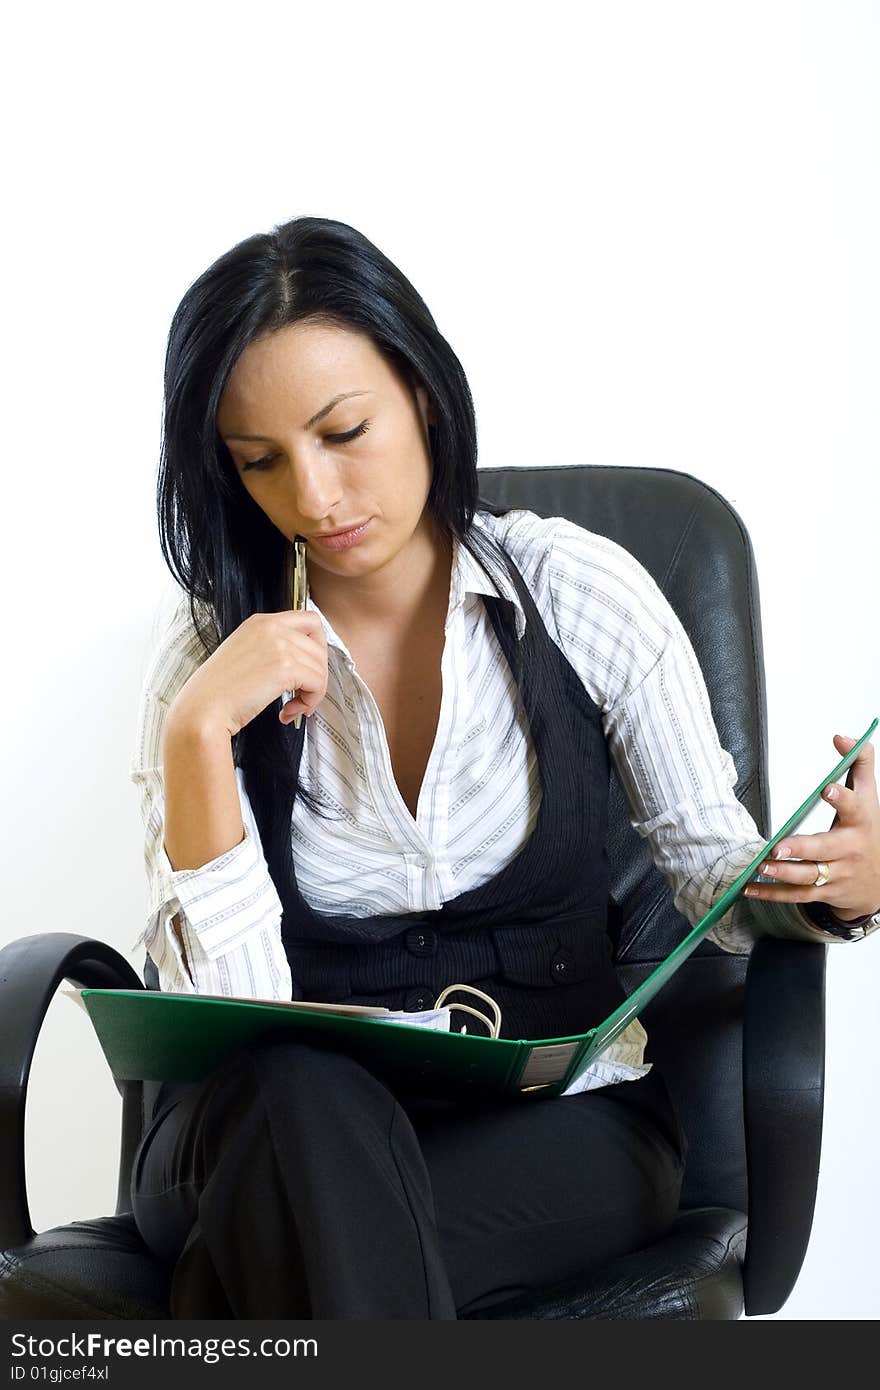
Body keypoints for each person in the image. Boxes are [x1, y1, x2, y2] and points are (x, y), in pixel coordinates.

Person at [127, 215, 880, 1319]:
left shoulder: (581, 591)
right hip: (273, 1126)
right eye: (260, 462)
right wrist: (197, 741)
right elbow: (224, 1024)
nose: (315, 495)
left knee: (261, 1258)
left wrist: (836, 886)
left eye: (344, 431)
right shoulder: (208, 665)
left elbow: (713, 876)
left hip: (555, 1127)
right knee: (290, 1096)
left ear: (423, 392)